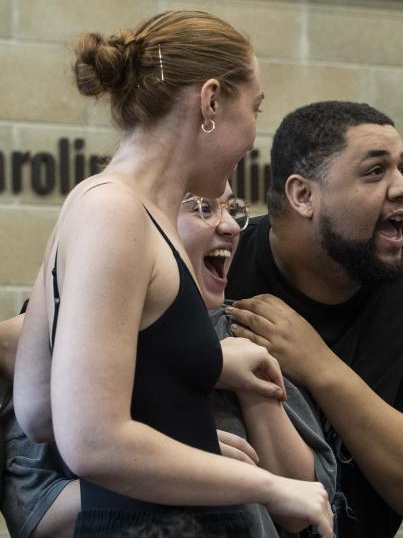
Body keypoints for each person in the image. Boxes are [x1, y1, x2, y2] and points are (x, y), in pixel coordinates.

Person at [12, 11, 331, 537]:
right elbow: (90, 440)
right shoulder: (115, 212)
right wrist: (269, 486)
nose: (254, 134)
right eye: (254, 108)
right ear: (210, 101)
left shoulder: (108, 206)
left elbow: (40, 408)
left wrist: (185, 448)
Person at [0, 185, 337, 538]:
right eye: (203, 209)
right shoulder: (66, 334)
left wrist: (253, 389)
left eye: (231, 208)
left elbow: (303, 508)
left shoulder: (243, 328)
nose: (232, 226)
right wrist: (188, 466)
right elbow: (33, 514)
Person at [222, 101, 403, 538]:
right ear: (303, 195)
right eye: (375, 172)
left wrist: (321, 367)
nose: (402, 188)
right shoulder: (221, 265)